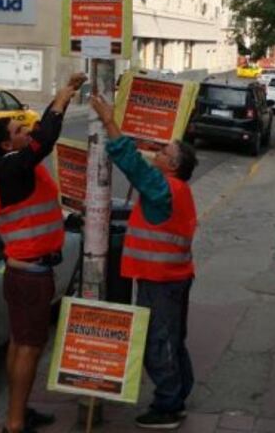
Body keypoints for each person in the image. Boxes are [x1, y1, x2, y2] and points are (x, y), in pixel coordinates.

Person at [0, 72, 86, 433]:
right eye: (18, 131)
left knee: (19, 343)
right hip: (30, 276)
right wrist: (62, 97)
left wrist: (63, 98)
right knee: (29, 347)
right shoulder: (13, 168)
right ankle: (14, 424)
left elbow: (39, 134)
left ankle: (18, 412)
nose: (26, 132)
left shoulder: (6, 167)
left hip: (21, 272)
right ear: (6, 145)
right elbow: (45, 139)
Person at [89, 94, 199, 430]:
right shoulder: (177, 188)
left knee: (157, 342)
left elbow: (132, 164)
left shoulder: (163, 188)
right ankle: (178, 394)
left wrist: (109, 120)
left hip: (160, 280)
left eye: (164, 152)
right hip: (173, 277)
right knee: (172, 338)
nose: (158, 153)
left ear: (173, 165)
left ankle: (168, 405)